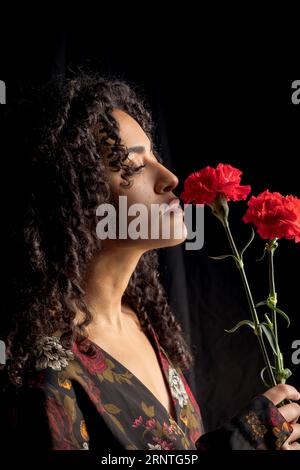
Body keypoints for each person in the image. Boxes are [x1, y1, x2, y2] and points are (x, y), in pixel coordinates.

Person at [0, 74, 299, 451]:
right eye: (135, 165)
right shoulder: (47, 374)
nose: (170, 178)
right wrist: (238, 445)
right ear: (75, 195)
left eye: (155, 157)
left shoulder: (142, 322)